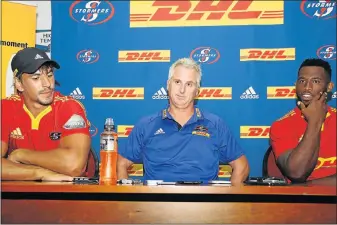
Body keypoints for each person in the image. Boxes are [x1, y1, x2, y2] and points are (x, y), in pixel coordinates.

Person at [117, 58, 249, 184]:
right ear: (168, 85)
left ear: (197, 91)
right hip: (156, 204)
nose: (182, 90)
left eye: (189, 84)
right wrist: (130, 200)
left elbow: (242, 166)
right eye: (177, 82)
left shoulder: (215, 124)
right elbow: (121, 163)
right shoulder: (146, 125)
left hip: (204, 204)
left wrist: (227, 201)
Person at [1, 47, 91, 181]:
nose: (47, 84)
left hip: (70, 194)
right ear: (19, 84)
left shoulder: (69, 107)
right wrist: (38, 173)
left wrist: (21, 155)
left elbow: (74, 165)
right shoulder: (6, 107)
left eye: (49, 75)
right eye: (36, 78)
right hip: (22, 195)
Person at [270, 58, 336, 184]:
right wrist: (315, 121)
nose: (307, 87)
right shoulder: (282, 125)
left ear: (329, 87)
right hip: (303, 201)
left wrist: (310, 185)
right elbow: (297, 173)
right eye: (302, 81)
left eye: (315, 81)